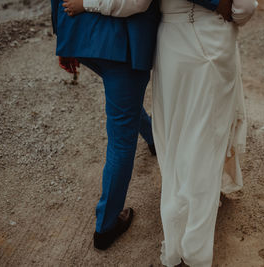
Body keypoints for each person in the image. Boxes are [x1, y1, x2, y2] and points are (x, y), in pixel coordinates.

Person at [62, 0, 257, 265]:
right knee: (203, 144)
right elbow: (245, 8)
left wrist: (69, 33)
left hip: (169, 45)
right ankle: (194, 251)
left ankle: (176, 239)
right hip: (207, 41)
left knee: (173, 142)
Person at [50, 0, 161, 250]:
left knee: (124, 106)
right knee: (121, 140)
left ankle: (153, 138)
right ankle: (106, 226)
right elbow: (137, 3)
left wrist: (65, 37)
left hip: (83, 34)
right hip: (124, 42)